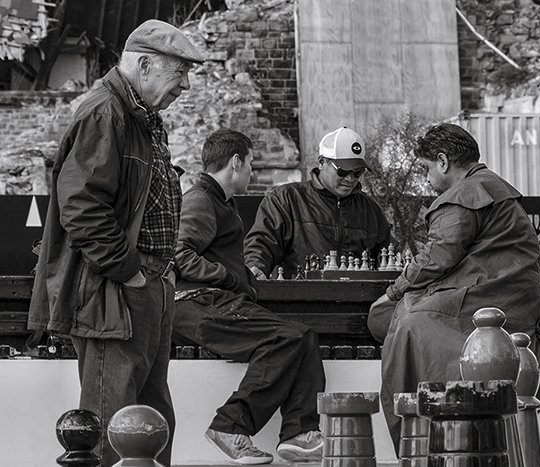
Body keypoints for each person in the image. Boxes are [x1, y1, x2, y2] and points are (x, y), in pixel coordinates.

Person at [26, 20, 204, 466]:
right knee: (116, 423)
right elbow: (82, 206)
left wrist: (151, 275)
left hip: (143, 284)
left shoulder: (137, 116)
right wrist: (130, 271)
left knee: (147, 420)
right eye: (179, 72)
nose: (185, 85)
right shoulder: (107, 113)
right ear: (145, 65)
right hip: (118, 289)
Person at [374, 123, 540, 453]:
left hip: (487, 299)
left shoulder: (463, 194)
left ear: (443, 161)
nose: (427, 179)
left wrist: (394, 290)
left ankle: (425, 436)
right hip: (516, 301)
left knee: (413, 324)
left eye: (427, 169)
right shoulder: (493, 186)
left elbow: (438, 257)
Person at [173, 129, 326, 464]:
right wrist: (229, 276)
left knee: (304, 336)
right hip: (196, 304)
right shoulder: (200, 199)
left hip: (215, 302)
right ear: (236, 162)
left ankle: (300, 434)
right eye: (252, 164)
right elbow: (179, 254)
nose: (253, 172)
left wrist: (242, 276)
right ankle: (230, 425)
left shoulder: (218, 201)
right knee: (286, 339)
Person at [244, 126, 393, 279]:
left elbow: (389, 257)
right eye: (342, 171)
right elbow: (262, 243)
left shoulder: (370, 209)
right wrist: (256, 268)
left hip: (358, 299)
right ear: (322, 162)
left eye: (357, 172)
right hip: (300, 299)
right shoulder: (286, 199)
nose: (350, 179)